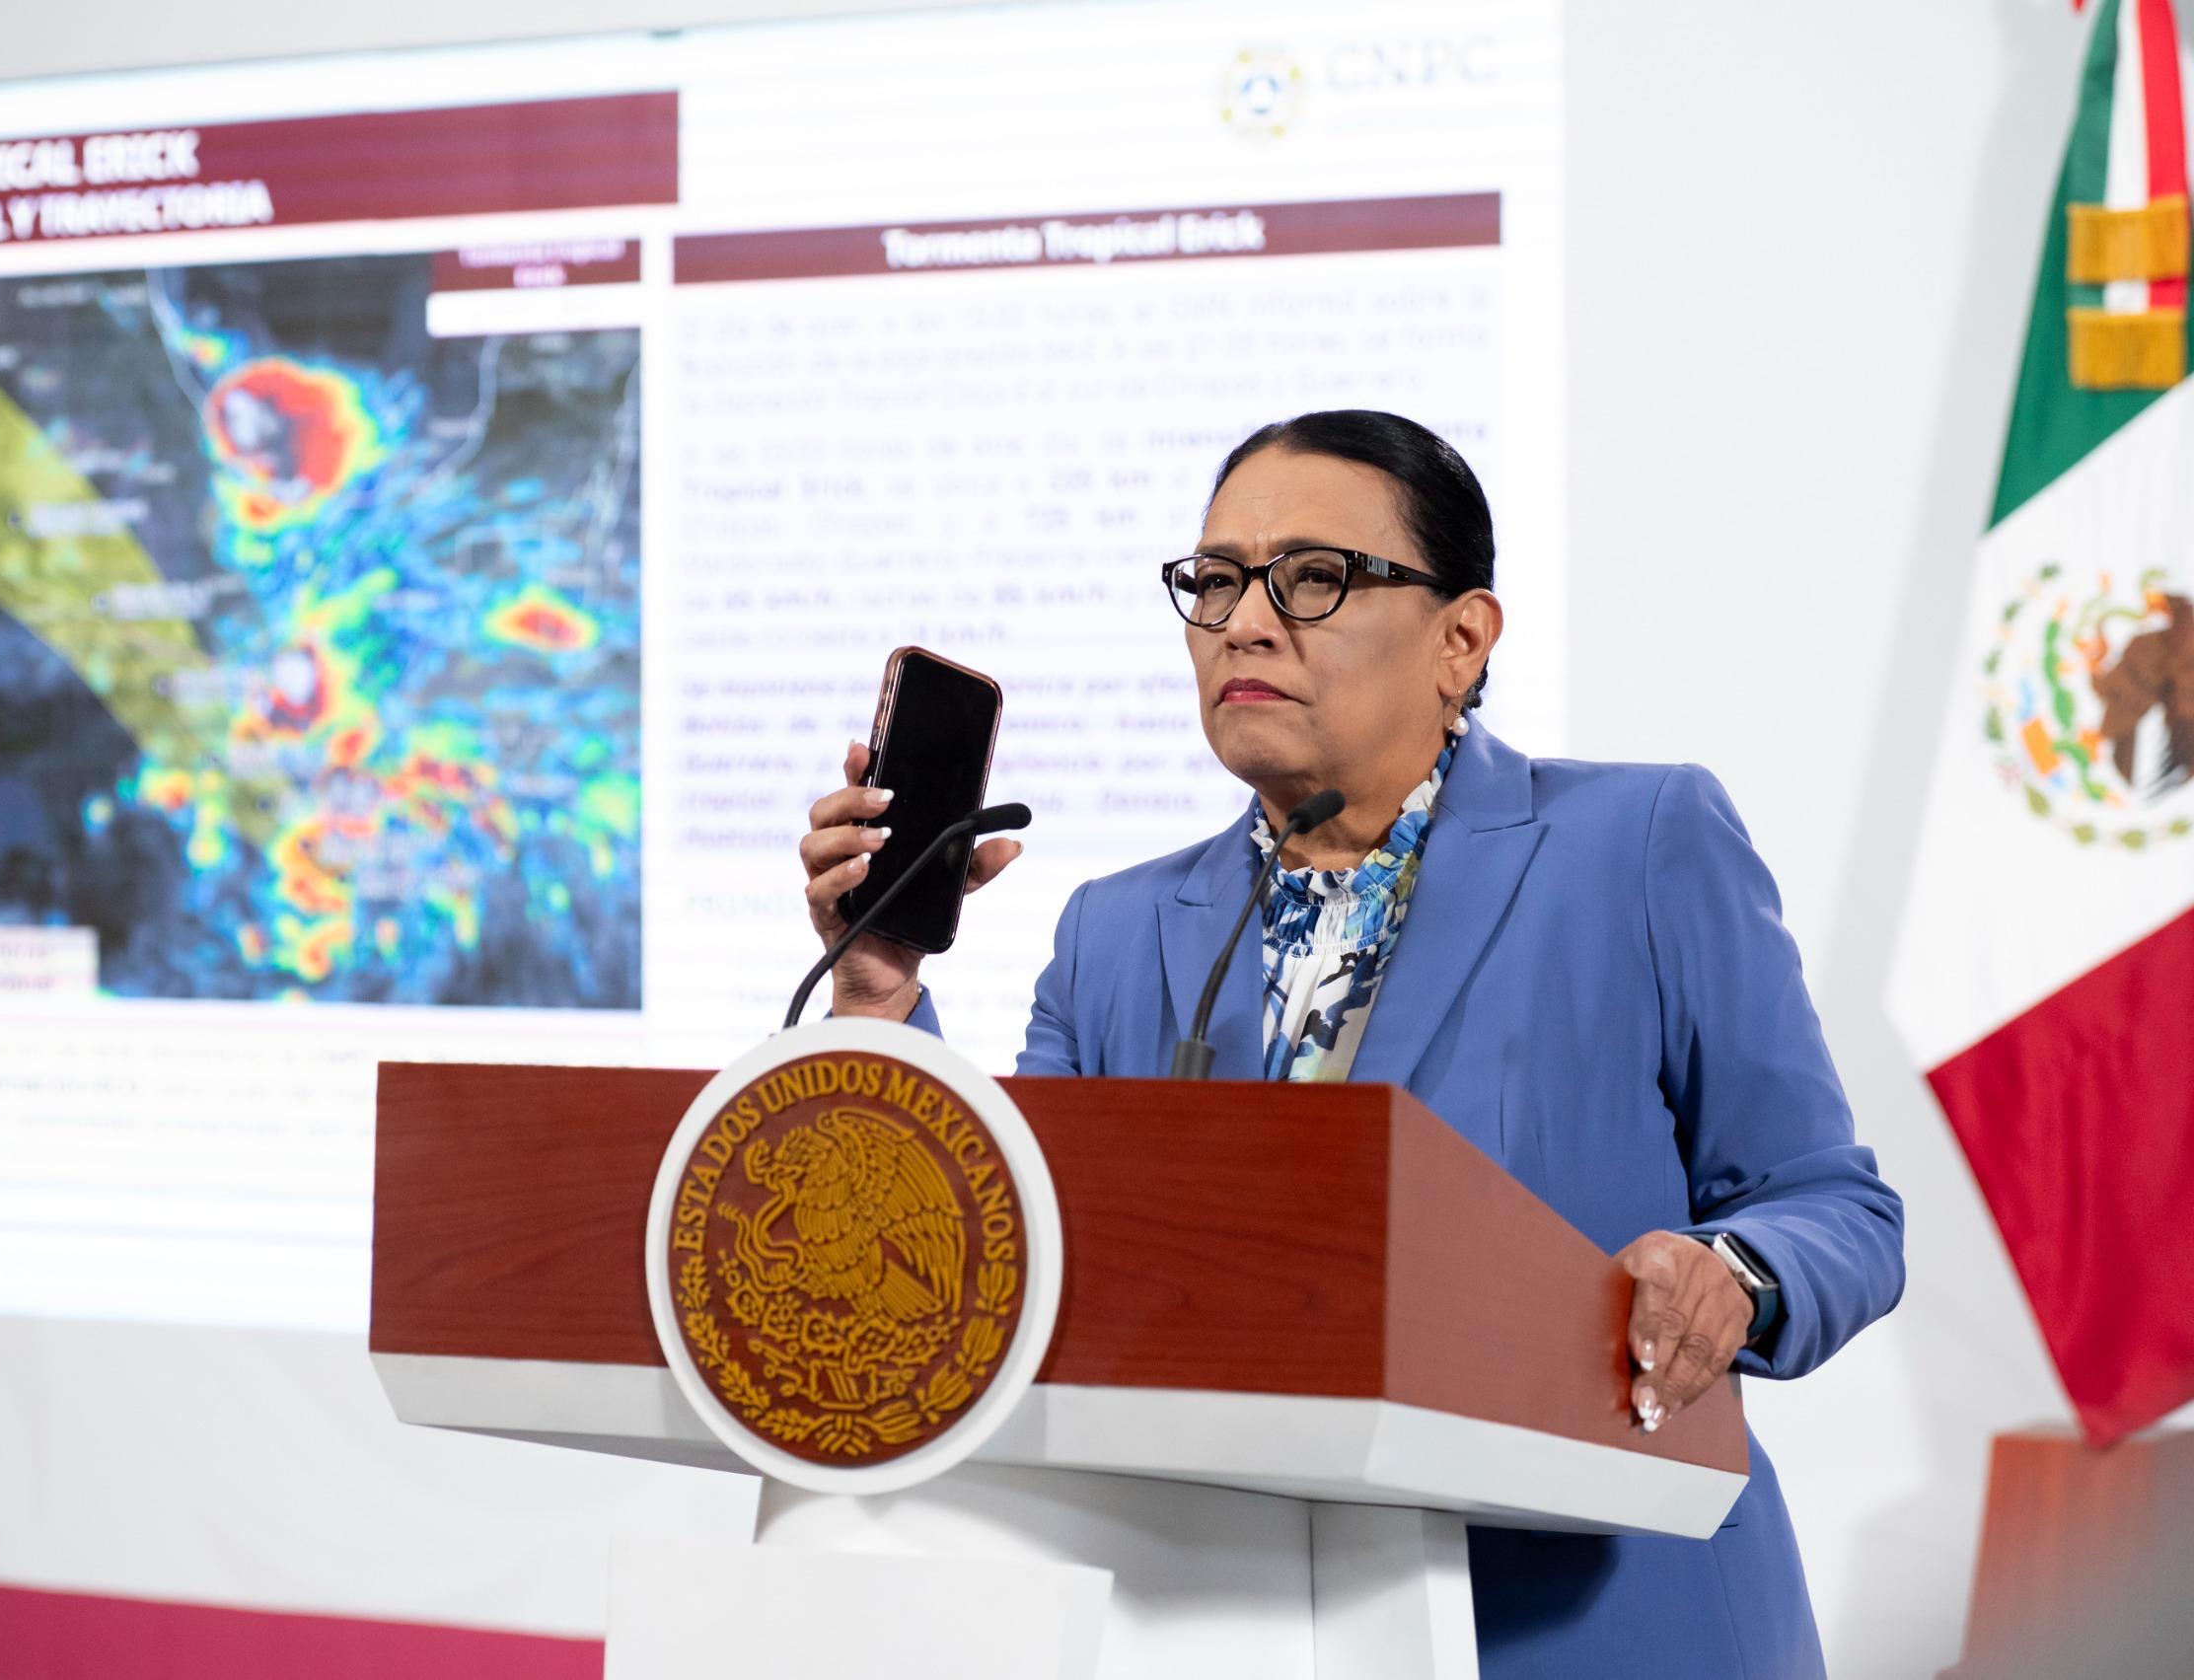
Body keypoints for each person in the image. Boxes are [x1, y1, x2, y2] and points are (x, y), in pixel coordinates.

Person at [797, 409, 1904, 1678]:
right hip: (1233, 1625)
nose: (1244, 623)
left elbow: (1838, 1207)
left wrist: (1734, 1273)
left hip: (1595, 1620)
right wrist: (879, 992)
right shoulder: (1117, 930)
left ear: (1460, 639)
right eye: (1215, 581)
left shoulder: (1637, 842)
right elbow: (1004, 1254)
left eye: (1312, 577)